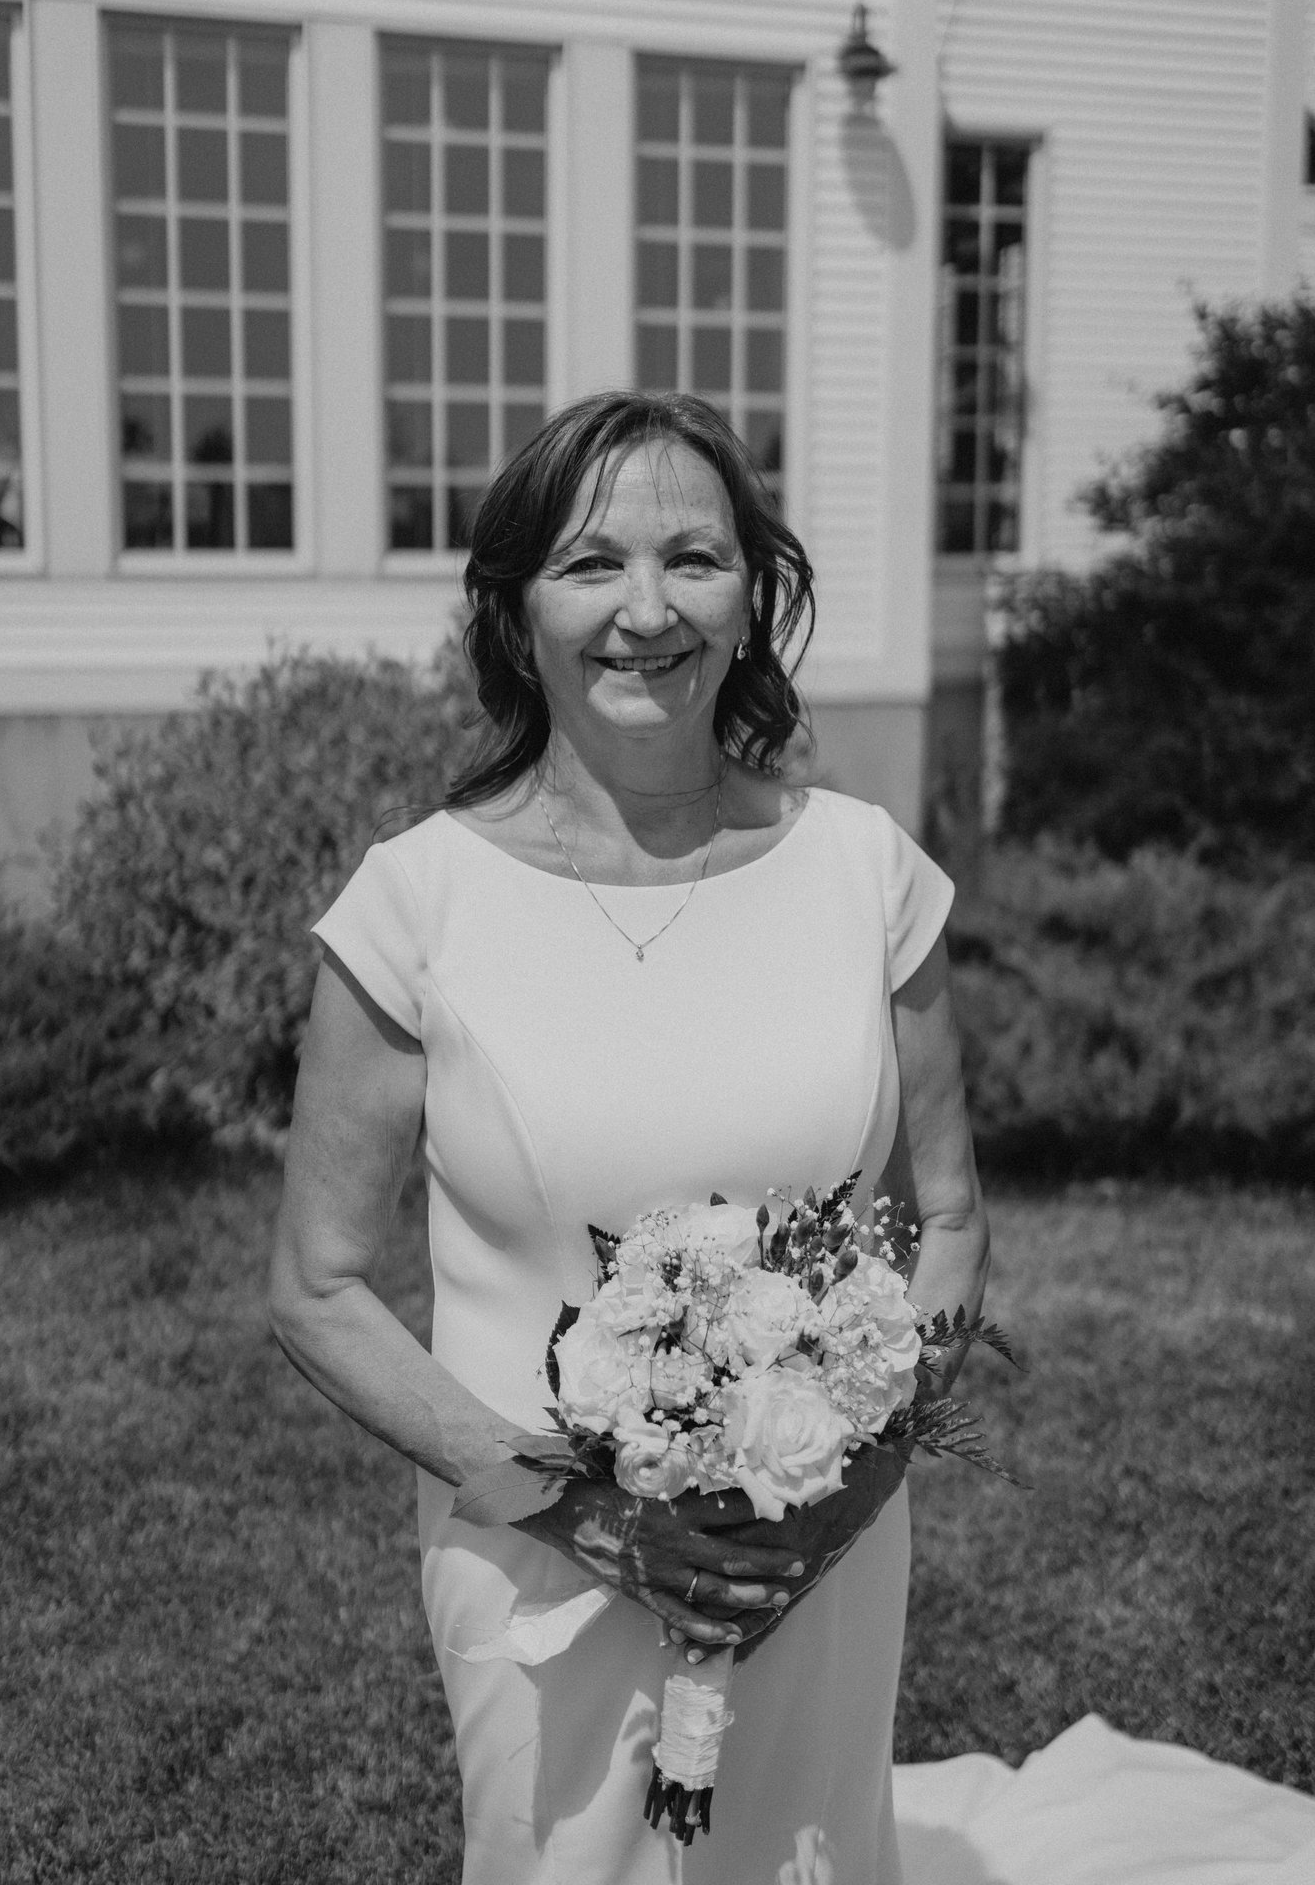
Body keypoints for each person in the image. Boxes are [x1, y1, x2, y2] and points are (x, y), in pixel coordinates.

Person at [268, 389, 990, 1883]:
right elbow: (317, 1287)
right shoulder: (417, 904)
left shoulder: (863, 872)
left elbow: (952, 1220)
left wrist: (844, 1481)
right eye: (591, 563)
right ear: (514, 609)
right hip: (539, 1556)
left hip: (819, 1550)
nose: (647, 611)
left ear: (752, 592)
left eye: (695, 559)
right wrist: (587, 1514)